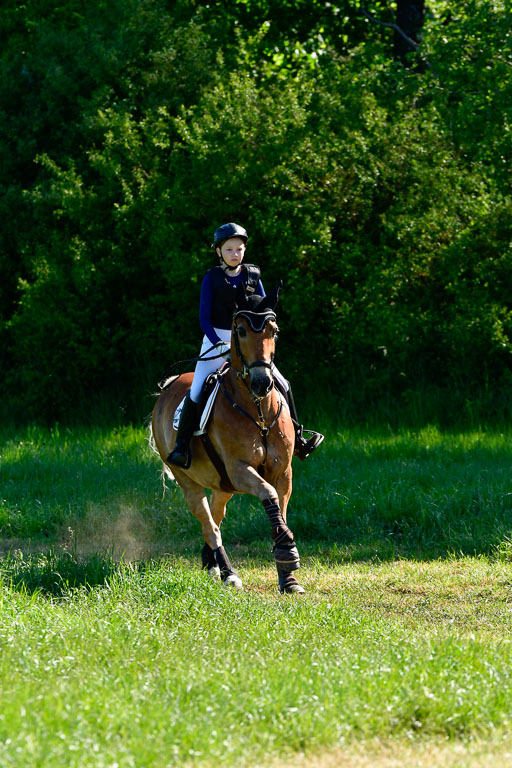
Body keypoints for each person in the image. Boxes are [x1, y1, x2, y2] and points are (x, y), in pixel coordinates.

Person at [167, 222, 324, 468]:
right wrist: (220, 344)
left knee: (283, 383)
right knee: (197, 389)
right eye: (229, 249)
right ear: (219, 252)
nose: (235, 254)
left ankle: (298, 436)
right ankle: (182, 446)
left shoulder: (253, 275)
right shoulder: (212, 278)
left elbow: (263, 309)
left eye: (239, 249)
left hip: (248, 341)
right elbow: (204, 319)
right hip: (217, 337)